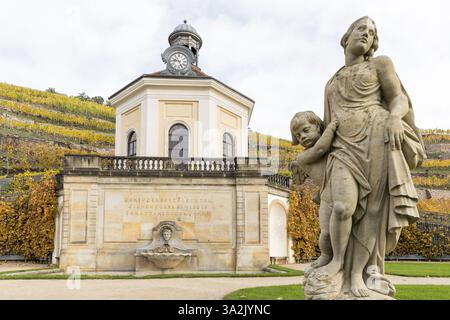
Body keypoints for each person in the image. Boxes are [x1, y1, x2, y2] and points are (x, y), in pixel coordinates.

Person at [315, 16, 426, 297]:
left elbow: (398, 97)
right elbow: (328, 123)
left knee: (372, 213)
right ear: (346, 36)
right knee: (342, 207)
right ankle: (338, 261)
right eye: (361, 28)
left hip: (377, 136)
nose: (367, 34)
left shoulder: (380, 63)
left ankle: (356, 275)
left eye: (372, 32)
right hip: (342, 147)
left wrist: (394, 118)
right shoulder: (332, 81)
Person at [289, 111, 339, 268]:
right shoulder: (303, 157)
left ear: (318, 127)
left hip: (338, 191)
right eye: (298, 135)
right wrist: (331, 128)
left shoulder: (335, 147)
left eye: (306, 130)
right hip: (327, 196)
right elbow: (320, 149)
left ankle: (339, 258)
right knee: (326, 231)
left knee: (338, 228)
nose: (302, 137)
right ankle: (326, 255)